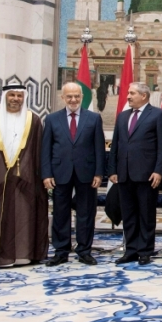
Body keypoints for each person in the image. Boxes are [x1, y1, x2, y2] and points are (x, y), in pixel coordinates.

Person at [0, 81, 48, 269]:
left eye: (19, 95)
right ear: (4, 96)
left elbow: (41, 151)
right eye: (12, 95)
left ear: (24, 98)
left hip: (26, 181)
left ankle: (24, 255)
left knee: (25, 216)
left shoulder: (33, 120)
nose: (16, 99)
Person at [41, 82, 105, 266]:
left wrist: (99, 173)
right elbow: (46, 149)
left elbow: (99, 148)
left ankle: (84, 251)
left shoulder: (93, 118)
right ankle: (61, 251)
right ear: (63, 97)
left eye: (77, 96)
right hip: (59, 173)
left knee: (86, 213)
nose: (73, 99)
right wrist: (46, 174)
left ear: (82, 97)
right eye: (69, 96)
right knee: (61, 213)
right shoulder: (52, 119)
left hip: (87, 173)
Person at [108, 82, 162, 266]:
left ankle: (145, 251)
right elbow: (115, 145)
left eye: (132, 93)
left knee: (146, 214)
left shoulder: (158, 115)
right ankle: (131, 250)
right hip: (124, 174)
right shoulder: (122, 116)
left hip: (147, 175)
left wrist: (159, 170)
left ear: (144, 96)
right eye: (128, 93)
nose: (128, 96)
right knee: (128, 215)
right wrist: (112, 170)